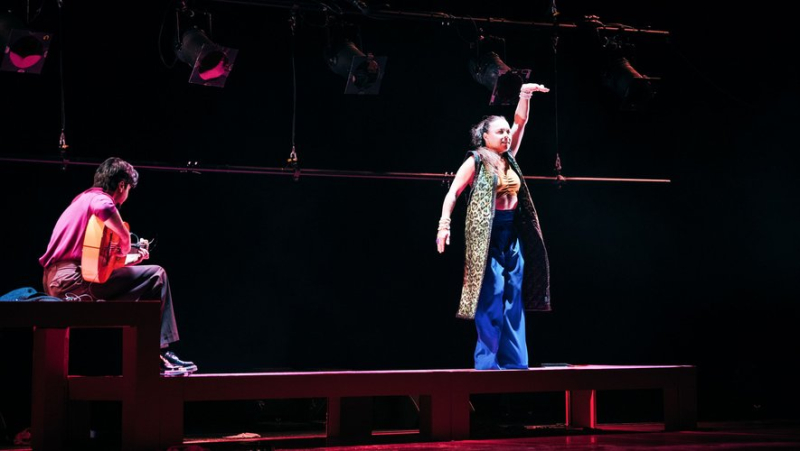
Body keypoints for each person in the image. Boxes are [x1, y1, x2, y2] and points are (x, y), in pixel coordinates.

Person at [39, 157, 197, 376]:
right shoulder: (98, 199)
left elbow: (97, 263)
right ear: (122, 185)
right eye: (128, 188)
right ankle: (159, 355)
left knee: (146, 282)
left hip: (59, 281)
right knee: (157, 275)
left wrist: (130, 258)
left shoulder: (79, 201)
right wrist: (124, 241)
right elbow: (105, 209)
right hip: (74, 282)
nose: (126, 196)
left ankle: (150, 356)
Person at [437, 83, 552, 370]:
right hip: (486, 237)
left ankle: (516, 363)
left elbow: (520, 122)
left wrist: (524, 94)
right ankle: (487, 365)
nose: (506, 135)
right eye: (499, 132)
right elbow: (453, 193)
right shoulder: (476, 159)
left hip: (511, 237)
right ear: (484, 137)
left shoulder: (509, 158)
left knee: (513, 296)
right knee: (492, 296)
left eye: (506, 132)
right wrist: (444, 224)